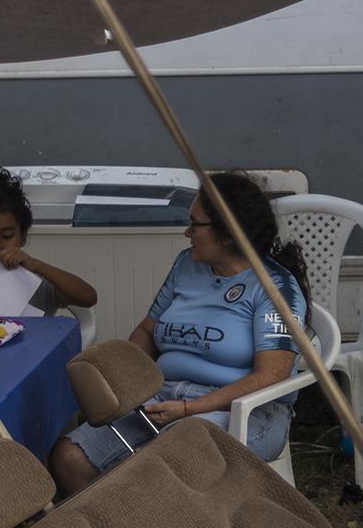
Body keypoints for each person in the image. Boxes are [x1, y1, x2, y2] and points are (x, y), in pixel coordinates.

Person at [47, 172, 309, 496]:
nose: (187, 232)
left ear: (227, 235)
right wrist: (127, 383)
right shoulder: (187, 264)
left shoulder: (274, 286)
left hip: (246, 411)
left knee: (158, 472)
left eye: (195, 225)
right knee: (69, 458)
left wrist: (190, 410)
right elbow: (147, 329)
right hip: (166, 394)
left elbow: (273, 374)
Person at [0, 167, 97, 312]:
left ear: (23, 236)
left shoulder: (33, 280)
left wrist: (37, 266)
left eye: (7, 236)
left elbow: (88, 298)